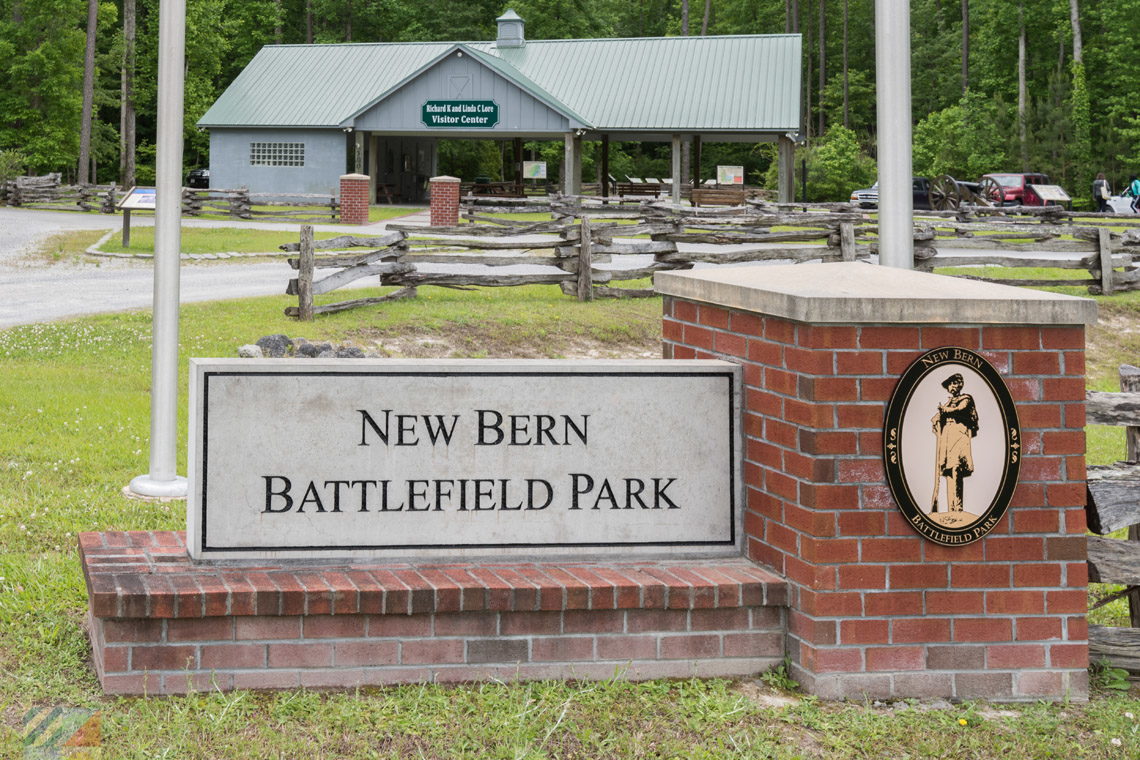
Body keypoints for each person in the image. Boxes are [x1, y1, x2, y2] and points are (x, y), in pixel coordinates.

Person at [930, 373, 978, 513]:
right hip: (947, 436)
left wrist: (945, 410)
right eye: (949, 385)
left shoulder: (966, 399)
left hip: (959, 434)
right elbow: (937, 417)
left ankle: (958, 508)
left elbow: (960, 410)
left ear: (959, 384)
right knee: (949, 471)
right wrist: (936, 419)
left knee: (956, 468)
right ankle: (951, 509)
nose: (951, 387)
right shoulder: (948, 402)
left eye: (953, 384)